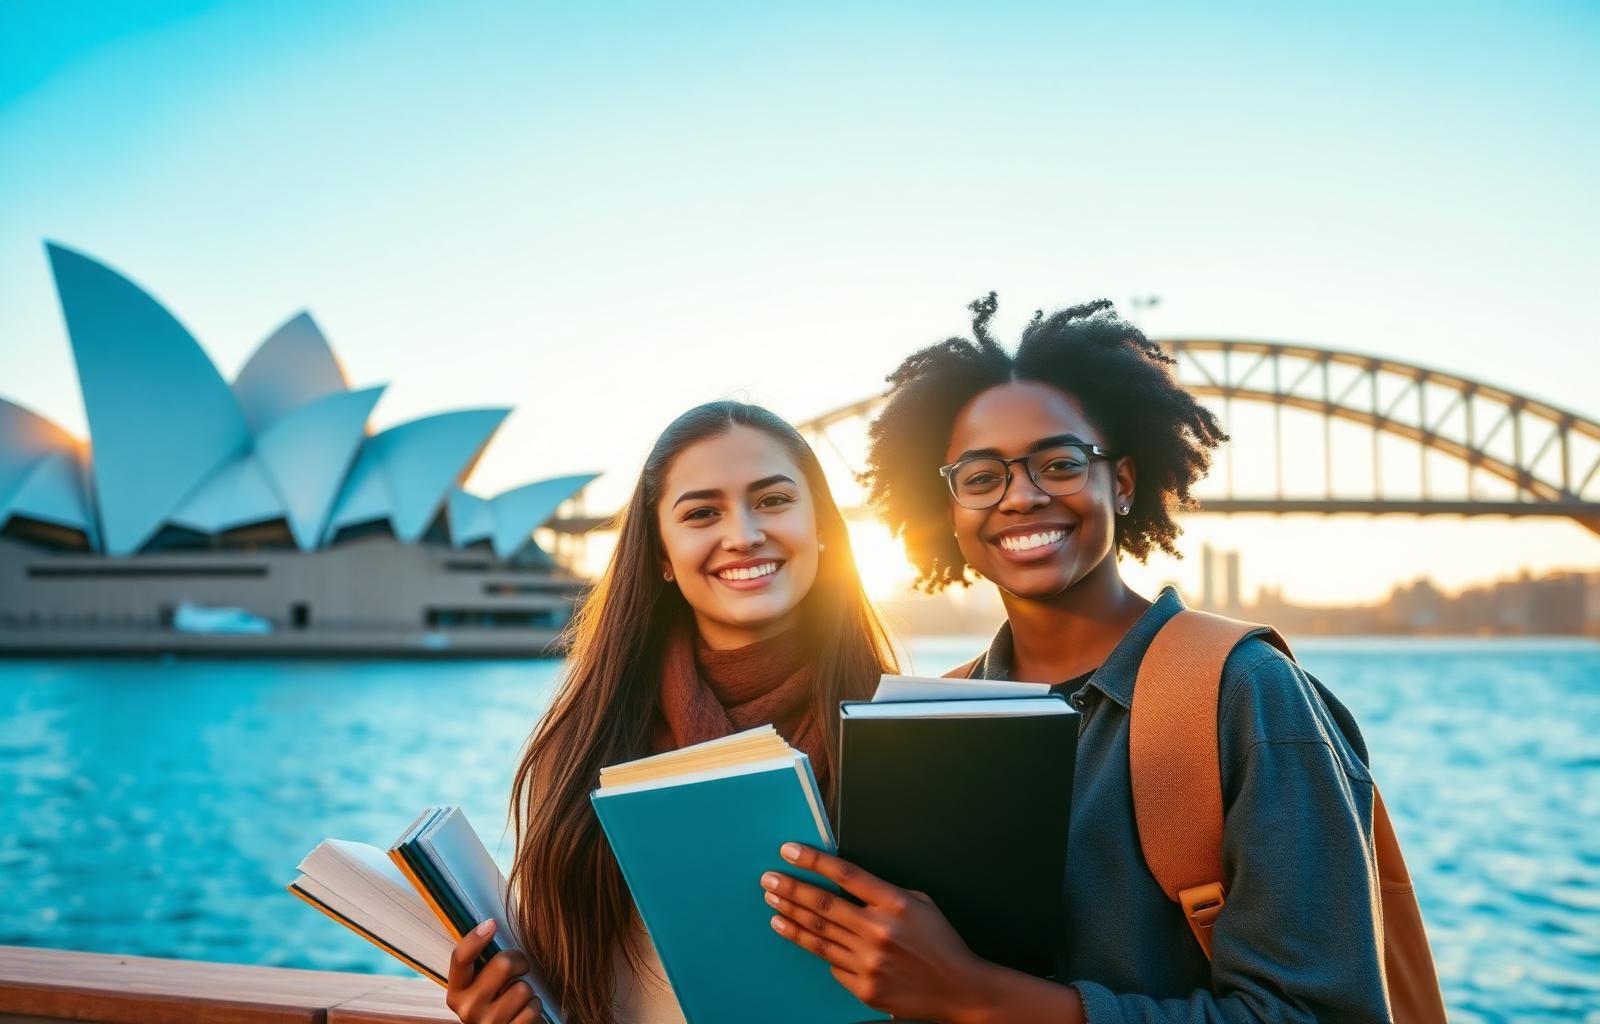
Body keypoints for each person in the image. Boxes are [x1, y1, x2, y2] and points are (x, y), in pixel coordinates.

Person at [764, 296, 1392, 1023]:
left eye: (1059, 464)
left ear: (1121, 482)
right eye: (979, 477)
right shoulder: (930, 716)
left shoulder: (1243, 692)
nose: (1022, 497)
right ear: (947, 512)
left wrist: (980, 998)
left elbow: (1319, 1014)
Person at [443, 400, 897, 1024]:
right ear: (660, 553)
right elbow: (566, 985)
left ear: (821, 524)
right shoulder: (587, 745)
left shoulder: (901, 733)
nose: (742, 534)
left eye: (772, 500)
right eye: (702, 512)